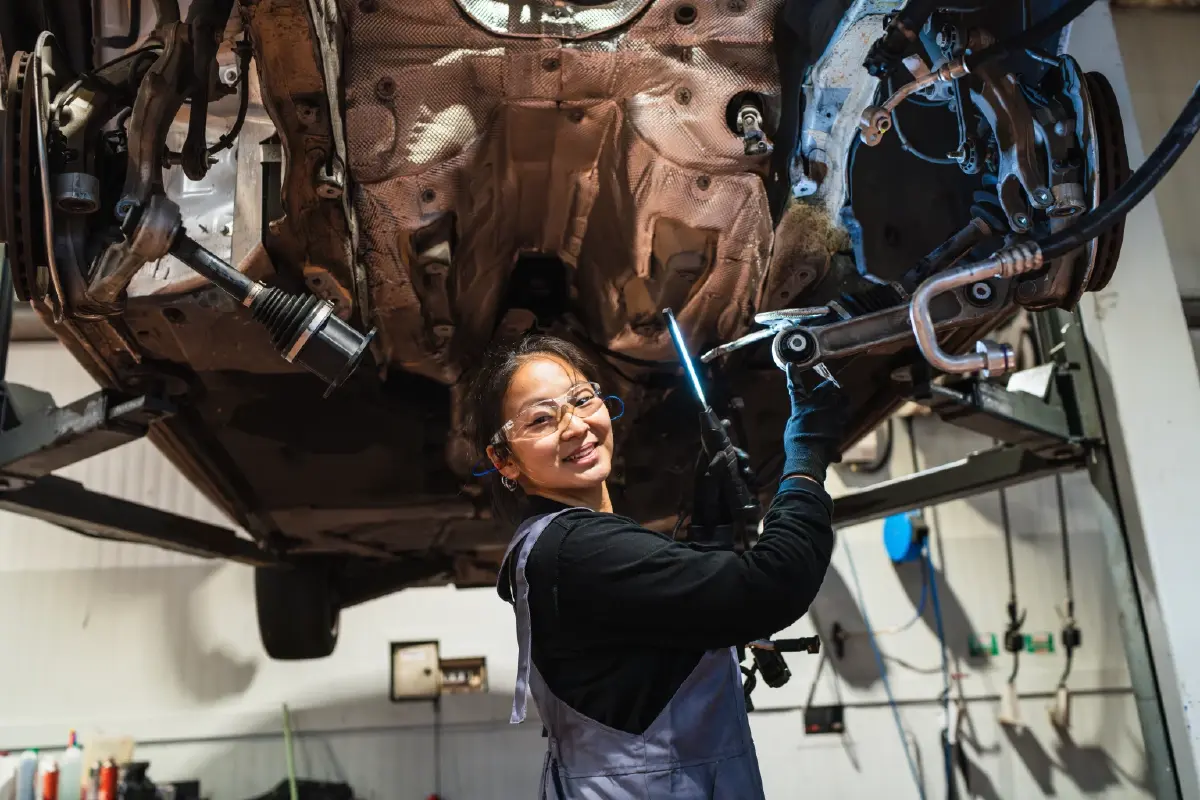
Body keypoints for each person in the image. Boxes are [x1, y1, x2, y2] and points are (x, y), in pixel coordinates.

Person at [465, 334, 845, 799]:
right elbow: (771, 586)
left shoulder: (554, 546)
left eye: (582, 400)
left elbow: (672, 639)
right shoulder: (576, 550)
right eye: (541, 420)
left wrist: (710, 528)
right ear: (504, 460)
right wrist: (806, 458)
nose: (575, 427)